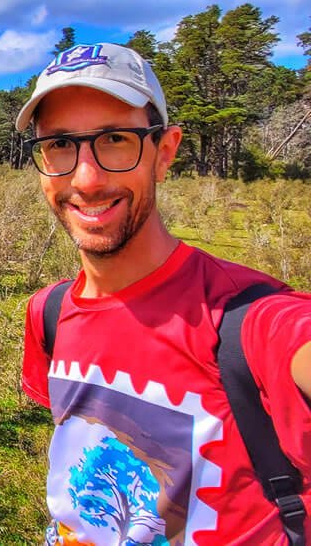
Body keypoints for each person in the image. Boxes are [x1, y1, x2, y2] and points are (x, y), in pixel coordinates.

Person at [17, 43, 311, 544]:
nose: (86, 179)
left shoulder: (250, 321)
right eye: (60, 145)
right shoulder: (49, 311)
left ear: (165, 152)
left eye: (115, 138)